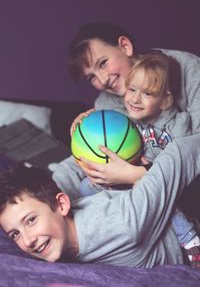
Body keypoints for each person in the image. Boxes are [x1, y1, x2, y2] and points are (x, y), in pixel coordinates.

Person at [1, 133, 200, 267]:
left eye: (30, 220)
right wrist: (85, 140)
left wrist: (137, 173)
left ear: (62, 204)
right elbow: (64, 171)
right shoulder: (52, 215)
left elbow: (184, 150)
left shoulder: (124, 222)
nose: (28, 240)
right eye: (15, 234)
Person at [50, 22, 200, 198]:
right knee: (86, 186)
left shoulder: (186, 68)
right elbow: (93, 157)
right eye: (91, 77)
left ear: (125, 46)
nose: (103, 80)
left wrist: (139, 174)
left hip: (187, 188)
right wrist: (52, 191)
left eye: (103, 63)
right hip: (149, 190)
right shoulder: (106, 104)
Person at [77, 51, 200, 266]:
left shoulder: (179, 124)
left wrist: (142, 172)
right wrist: (86, 123)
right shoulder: (130, 125)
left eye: (147, 94)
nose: (135, 99)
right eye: (132, 90)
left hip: (164, 186)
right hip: (131, 185)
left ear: (165, 101)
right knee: (86, 187)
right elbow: (109, 144)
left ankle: (189, 240)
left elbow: (179, 165)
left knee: (172, 208)